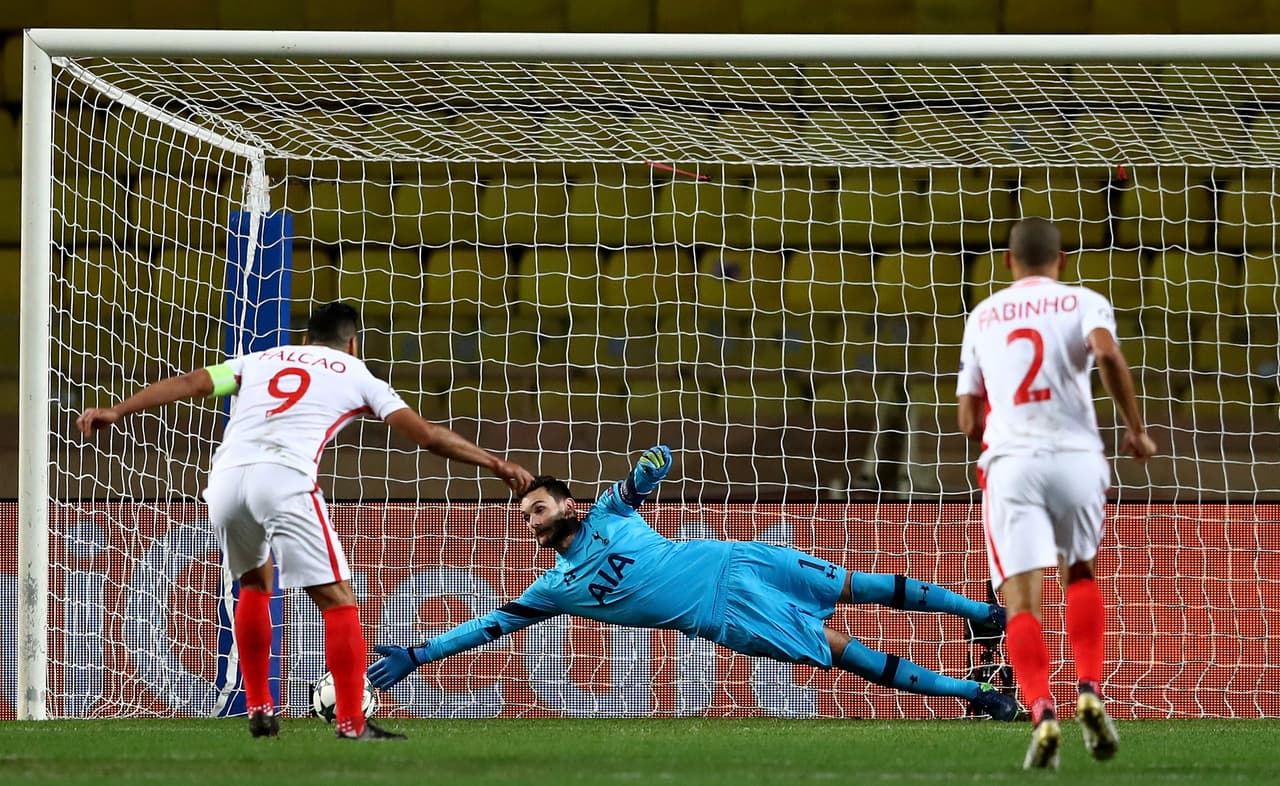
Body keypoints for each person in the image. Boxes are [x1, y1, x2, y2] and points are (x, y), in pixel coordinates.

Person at [76, 301, 534, 740]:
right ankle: (353, 721)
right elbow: (427, 436)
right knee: (338, 599)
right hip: (284, 477)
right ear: (354, 343)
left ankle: (258, 708)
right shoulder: (357, 373)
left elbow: (193, 382)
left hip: (226, 481)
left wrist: (117, 411)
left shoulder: (259, 359)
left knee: (254, 585)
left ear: (304, 338)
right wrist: (496, 465)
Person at [369, 445, 1019, 721]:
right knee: (842, 648)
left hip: (736, 559)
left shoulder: (607, 512)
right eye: (525, 517)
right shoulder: (555, 588)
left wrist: (653, 466)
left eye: (536, 508)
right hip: (723, 614)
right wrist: (419, 654)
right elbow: (486, 626)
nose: (530, 521)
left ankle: (978, 612)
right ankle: (975, 693)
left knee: (858, 582)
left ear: (567, 507)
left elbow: (640, 481)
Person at [955, 218, 1157, 769]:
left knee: (1021, 600)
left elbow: (969, 417)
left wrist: (1001, 428)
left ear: (1007, 262)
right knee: (1081, 571)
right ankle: (1089, 686)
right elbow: (1108, 354)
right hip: (1076, 457)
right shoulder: (1083, 301)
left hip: (1012, 463)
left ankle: (1043, 712)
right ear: (1062, 261)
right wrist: (1136, 429)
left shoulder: (983, 316)